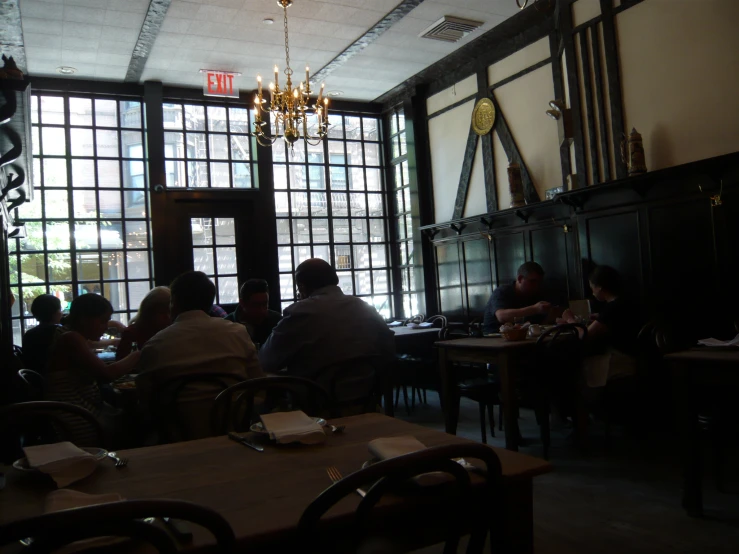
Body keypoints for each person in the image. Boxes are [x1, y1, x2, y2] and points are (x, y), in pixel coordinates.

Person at [136, 271, 263, 439]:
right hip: (234, 431)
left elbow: (146, 401)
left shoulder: (156, 344)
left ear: (174, 303)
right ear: (210, 302)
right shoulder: (237, 332)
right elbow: (258, 384)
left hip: (178, 437)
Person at [259, 259, 395, 386]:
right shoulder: (364, 307)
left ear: (302, 287)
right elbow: (388, 348)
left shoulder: (300, 312)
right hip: (366, 399)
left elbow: (266, 361)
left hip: (317, 403)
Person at [46, 294, 141, 445]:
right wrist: (142, 351)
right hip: (77, 419)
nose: (106, 327)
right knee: (139, 422)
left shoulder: (67, 334)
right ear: (84, 319)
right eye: (103, 321)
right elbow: (106, 375)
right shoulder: (71, 338)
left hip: (81, 411)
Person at [559, 265, 640, 388]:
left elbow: (585, 336)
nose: (592, 292)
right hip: (637, 353)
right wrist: (599, 317)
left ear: (600, 288)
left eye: (593, 288)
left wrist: (570, 319)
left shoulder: (612, 308)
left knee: (570, 366)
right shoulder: (627, 302)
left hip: (622, 357)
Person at [482, 261, 558, 334]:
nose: (536, 286)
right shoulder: (502, 292)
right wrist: (535, 309)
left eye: (539, 282)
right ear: (520, 279)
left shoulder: (535, 293)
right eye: (532, 281)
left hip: (521, 338)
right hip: (493, 338)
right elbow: (502, 316)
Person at [116, 287, 171, 360]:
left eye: (170, 312)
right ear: (148, 312)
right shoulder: (132, 333)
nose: (167, 317)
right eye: (162, 312)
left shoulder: (173, 331)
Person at [225, 279, 282, 346]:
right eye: (256, 305)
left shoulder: (277, 322)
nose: (262, 310)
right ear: (242, 303)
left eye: (265, 304)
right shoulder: (227, 326)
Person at [22, 294, 64, 373]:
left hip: (36, 378)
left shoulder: (29, 334)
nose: (62, 313)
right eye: (60, 310)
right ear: (54, 313)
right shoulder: (60, 333)